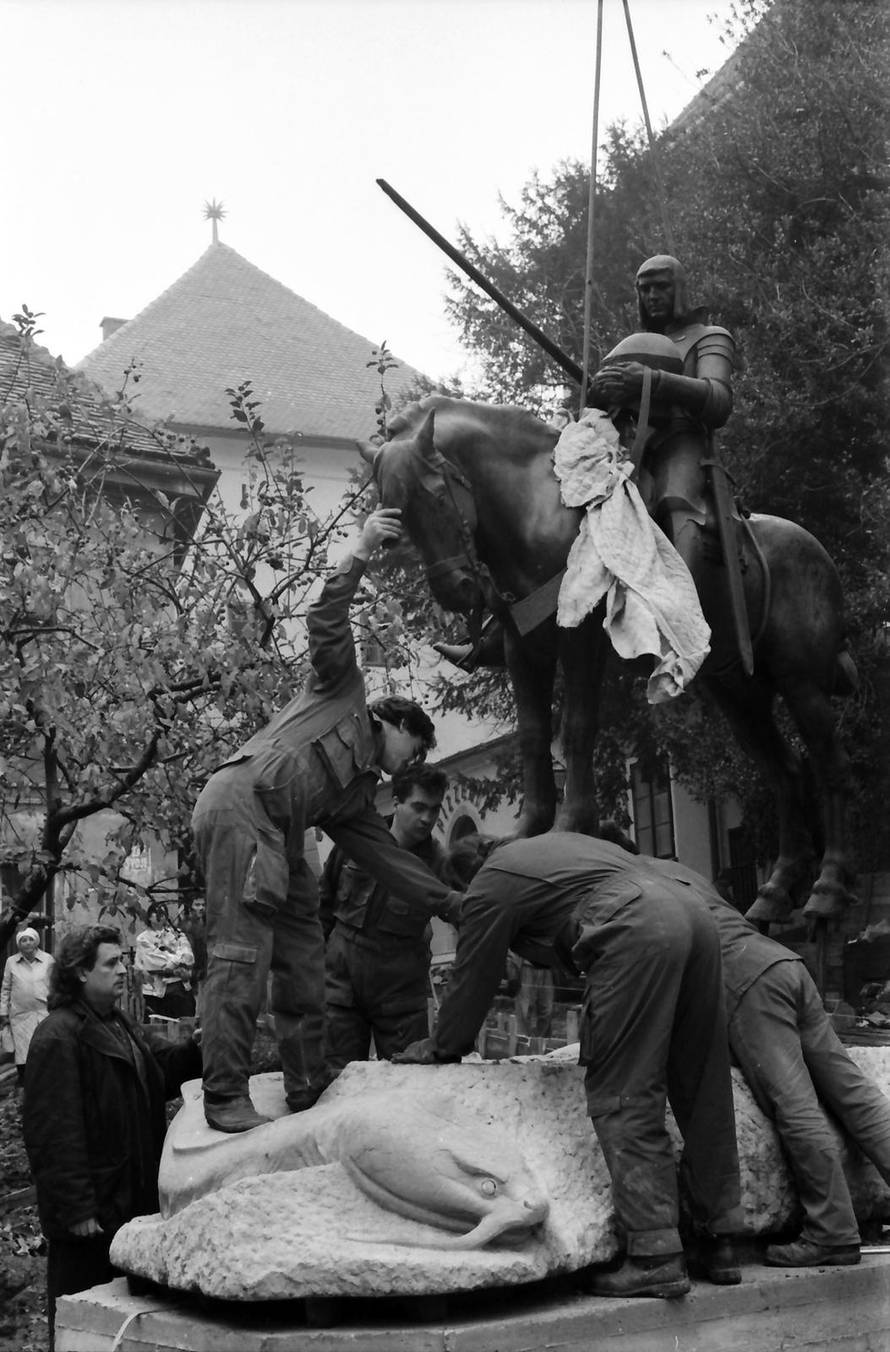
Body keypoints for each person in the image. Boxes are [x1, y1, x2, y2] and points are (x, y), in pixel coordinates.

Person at [191, 508, 461, 1134]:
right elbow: (325, 618)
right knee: (239, 953)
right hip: (242, 804)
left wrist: (451, 902)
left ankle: (306, 1085)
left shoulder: (355, 799)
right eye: (413, 750)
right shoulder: (343, 689)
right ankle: (225, 1094)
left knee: (304, 955)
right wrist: (362, 547)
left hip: (284, 837)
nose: (413, 765)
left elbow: (388, 861)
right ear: (392, 724)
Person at [394, 832, 742, 1298]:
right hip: (693, 913)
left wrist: (442, 1045)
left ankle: (656, 1254)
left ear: (465, 880)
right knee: (703, 1085)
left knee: (623, 1091)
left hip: (635, 925)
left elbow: (475, 974)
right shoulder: (555, 850)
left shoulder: (490, 884)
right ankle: (720, 1242)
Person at [650, 854, 890, 1269]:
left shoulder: (627, 887)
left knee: (794, 1105)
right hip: (780, 963)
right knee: (855, 1094)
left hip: (744, 980)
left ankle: (831, 1232)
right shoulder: (677, 871)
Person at [22, 925, 201, 1348]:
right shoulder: (58, 1035)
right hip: (91, 1217)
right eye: (112, 962)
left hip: (128, 1205)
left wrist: (195, 1050)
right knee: (83, 1327)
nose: (124, 970)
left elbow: (162, 1074)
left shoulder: (120, 1024)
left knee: (121, 1326)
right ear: (81, 972)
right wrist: (77, 1208)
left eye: (122, 960)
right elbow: (53, 1131)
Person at [588, 254, 735, 591]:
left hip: (683, 444)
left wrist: (653, 380)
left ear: (679, 289)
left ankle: (681, 607)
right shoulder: (634, 347)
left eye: (661, 287)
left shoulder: (710, 337)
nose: (652, 296)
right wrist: (600, 393)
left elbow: (718, 401)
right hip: (627, 449)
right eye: (645, 289)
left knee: (675, 501)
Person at [320, 763, 450, 1071]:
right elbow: (323, 907)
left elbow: (465, 917)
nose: (427, 819)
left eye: (434, 810)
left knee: (405, 1086)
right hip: (341, 985)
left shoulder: (440, 864)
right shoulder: (358, 842)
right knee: (333, 1083)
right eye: (418, 807)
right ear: (395, 803)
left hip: (400, 994)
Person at [0, 928, 54, 1084]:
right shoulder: (12, 961)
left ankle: (45, 1082)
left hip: (43, 1013)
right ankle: (23, 1085)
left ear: (36, 941)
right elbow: (6, 988)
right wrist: (3, 1013)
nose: (27, 943)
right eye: (24, 940)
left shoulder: (48, 959)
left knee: (43, 1049)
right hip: (20, 1015)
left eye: (30, 939)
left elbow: (56, 984)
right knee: (23, 1053)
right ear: (19, 944)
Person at [134, 902, 195, 1019]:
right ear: (149, 917)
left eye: (163, 913)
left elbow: (188, 956)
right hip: (156, 992)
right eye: (157, 913)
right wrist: (176, 959)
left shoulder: (177, 933)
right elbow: (154, 961)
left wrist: (173, 962)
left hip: (180, 989)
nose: (161, 916)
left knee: (185, 1025)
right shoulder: (143, 938)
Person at [514, 958, 554, 1041]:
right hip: (526, 965)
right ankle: (524, 1042)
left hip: (547, 965)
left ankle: (539, 1042)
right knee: (525, 1008)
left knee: (547, 1009)